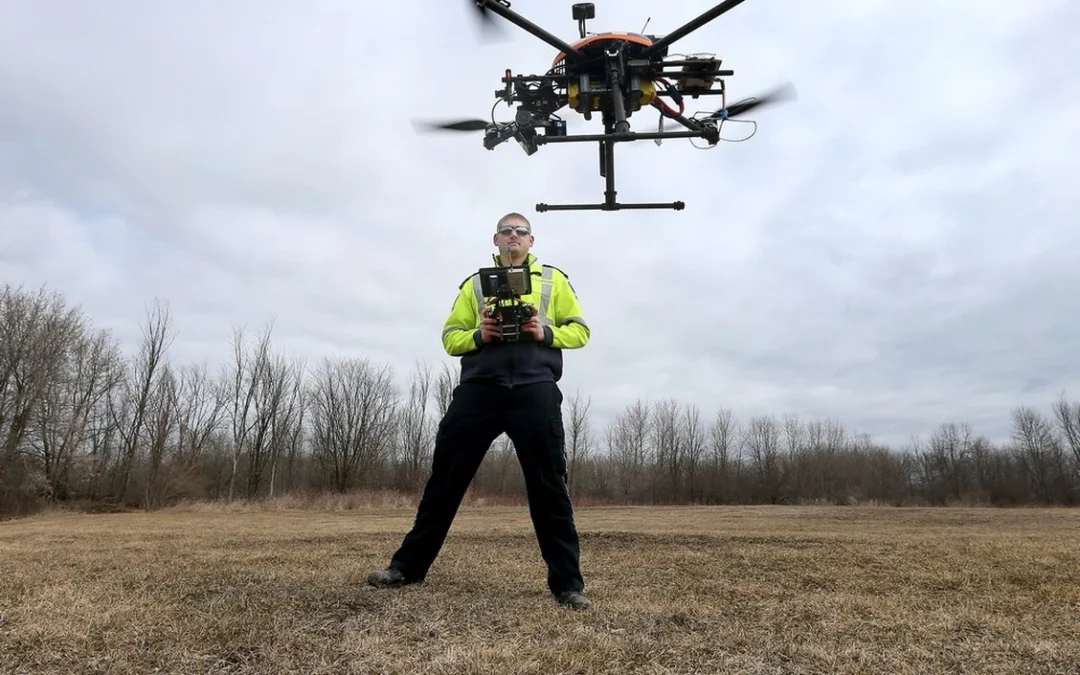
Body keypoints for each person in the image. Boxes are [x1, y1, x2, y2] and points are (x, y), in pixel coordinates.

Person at [366, 212, 592, 610]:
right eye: (506, 232)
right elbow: (450, 337)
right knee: (445, 481)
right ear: (495, 239)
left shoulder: (554, 280)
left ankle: (567, 584)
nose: (512, 238)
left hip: (534, 389)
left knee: (549, 486)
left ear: (531, 241)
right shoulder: (474, 284)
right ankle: (407, 568)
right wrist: (477, 335)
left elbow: (582, 331)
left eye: (520, 232)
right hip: (479, 390)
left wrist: (546, 332)